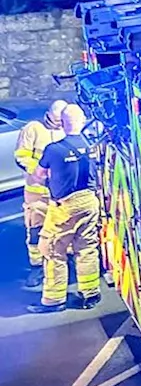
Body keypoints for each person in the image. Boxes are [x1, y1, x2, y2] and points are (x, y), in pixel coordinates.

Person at [27, 105, 100, 314]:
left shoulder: (53, 149)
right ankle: (90, 293)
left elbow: (39, 175)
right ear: (83, 120)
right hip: (90, 201)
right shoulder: (92, 145)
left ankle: (53, 300)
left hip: (65, 206)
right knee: (86, 248)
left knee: (52, 250)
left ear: (62, 122)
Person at [14, 101, 67, 290]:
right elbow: (21, 156)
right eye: (57, 120)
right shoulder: (33, 129)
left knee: (62, 230)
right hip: (37, 191)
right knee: (36, 229)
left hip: (60, 192)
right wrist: (37, 171)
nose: (60, 124)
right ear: (49, 115)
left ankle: (62, 264)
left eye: (63, 121)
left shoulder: (66, 129)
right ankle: (37, 267)